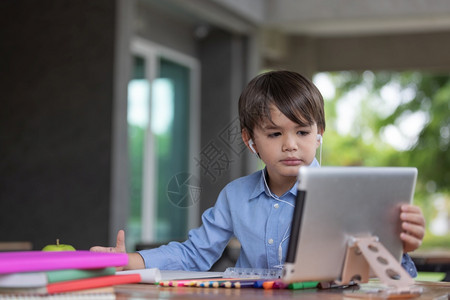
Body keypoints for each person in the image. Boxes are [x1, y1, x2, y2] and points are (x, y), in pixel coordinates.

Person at [91, 70, 425, 276]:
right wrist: (129, 260)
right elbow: (195, 254)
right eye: (275, 134)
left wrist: (401, 248)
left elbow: (378, 272)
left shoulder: (347, 194)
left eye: (303, 132)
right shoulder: (235, 196)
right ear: (250, 139)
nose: (291, 145)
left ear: (319, 132)